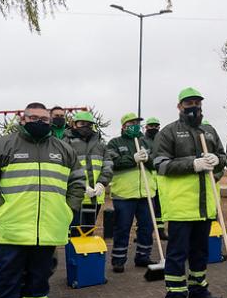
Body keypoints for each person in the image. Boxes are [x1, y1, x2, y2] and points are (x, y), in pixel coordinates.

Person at [0, 102, 84, 298]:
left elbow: (78, 182)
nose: (39, 122)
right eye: (33, 118)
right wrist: (0, 207)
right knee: (8, 274)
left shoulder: (63, 149)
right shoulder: (2, 145)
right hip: (12, 226)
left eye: (44, 120)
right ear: (22, 119)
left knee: (40, 273)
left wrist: (68, 208)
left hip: (48, 225)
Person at [153, 87, 225, 298]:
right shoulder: (169, 132)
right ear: (179, 106)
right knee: (177, 254)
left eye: (196, 102)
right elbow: (161, 164)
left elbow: (224, 159)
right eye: (188, 103)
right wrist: (192, 164)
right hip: (180, 206)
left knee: (200, 253)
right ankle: (175, 297)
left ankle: (198, 291)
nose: (193, 107)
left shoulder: (210, 131)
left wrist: (217, 161)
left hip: (205, 206)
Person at [106, 113, 157, 273]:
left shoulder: (146, 142)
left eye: (137, 122)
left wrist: (147, 158)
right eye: (131, 123)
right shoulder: (114, 143)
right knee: (122, 228)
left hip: (146, 193)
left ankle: (143, 256)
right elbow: (113, 163)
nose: (135, 125)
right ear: (123, 126)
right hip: (124, 194)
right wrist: (132, 158)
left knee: (147, 227)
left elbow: (156, 163)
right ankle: (118, 260)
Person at [65, 111, 112, 231]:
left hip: (95, 197)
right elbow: (64, 167)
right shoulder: (66, 143)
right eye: (82, 123)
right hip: (75, 196)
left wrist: (102, 183)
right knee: (74, 233)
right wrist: (82, 185)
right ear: (74, 124)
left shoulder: (100, 144)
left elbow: (108, 165)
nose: (86, 127)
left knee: (89, 233)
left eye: (89, 124)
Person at [143, 117, 167, 239]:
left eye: (156, 126)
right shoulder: (142, 141)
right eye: (151, 126)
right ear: (146, 127)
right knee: (145, 208)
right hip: (146, 180)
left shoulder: (163, 140)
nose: (153, 128)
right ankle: (141, 232)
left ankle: (160, 230)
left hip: (160, 179)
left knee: (160, 206)